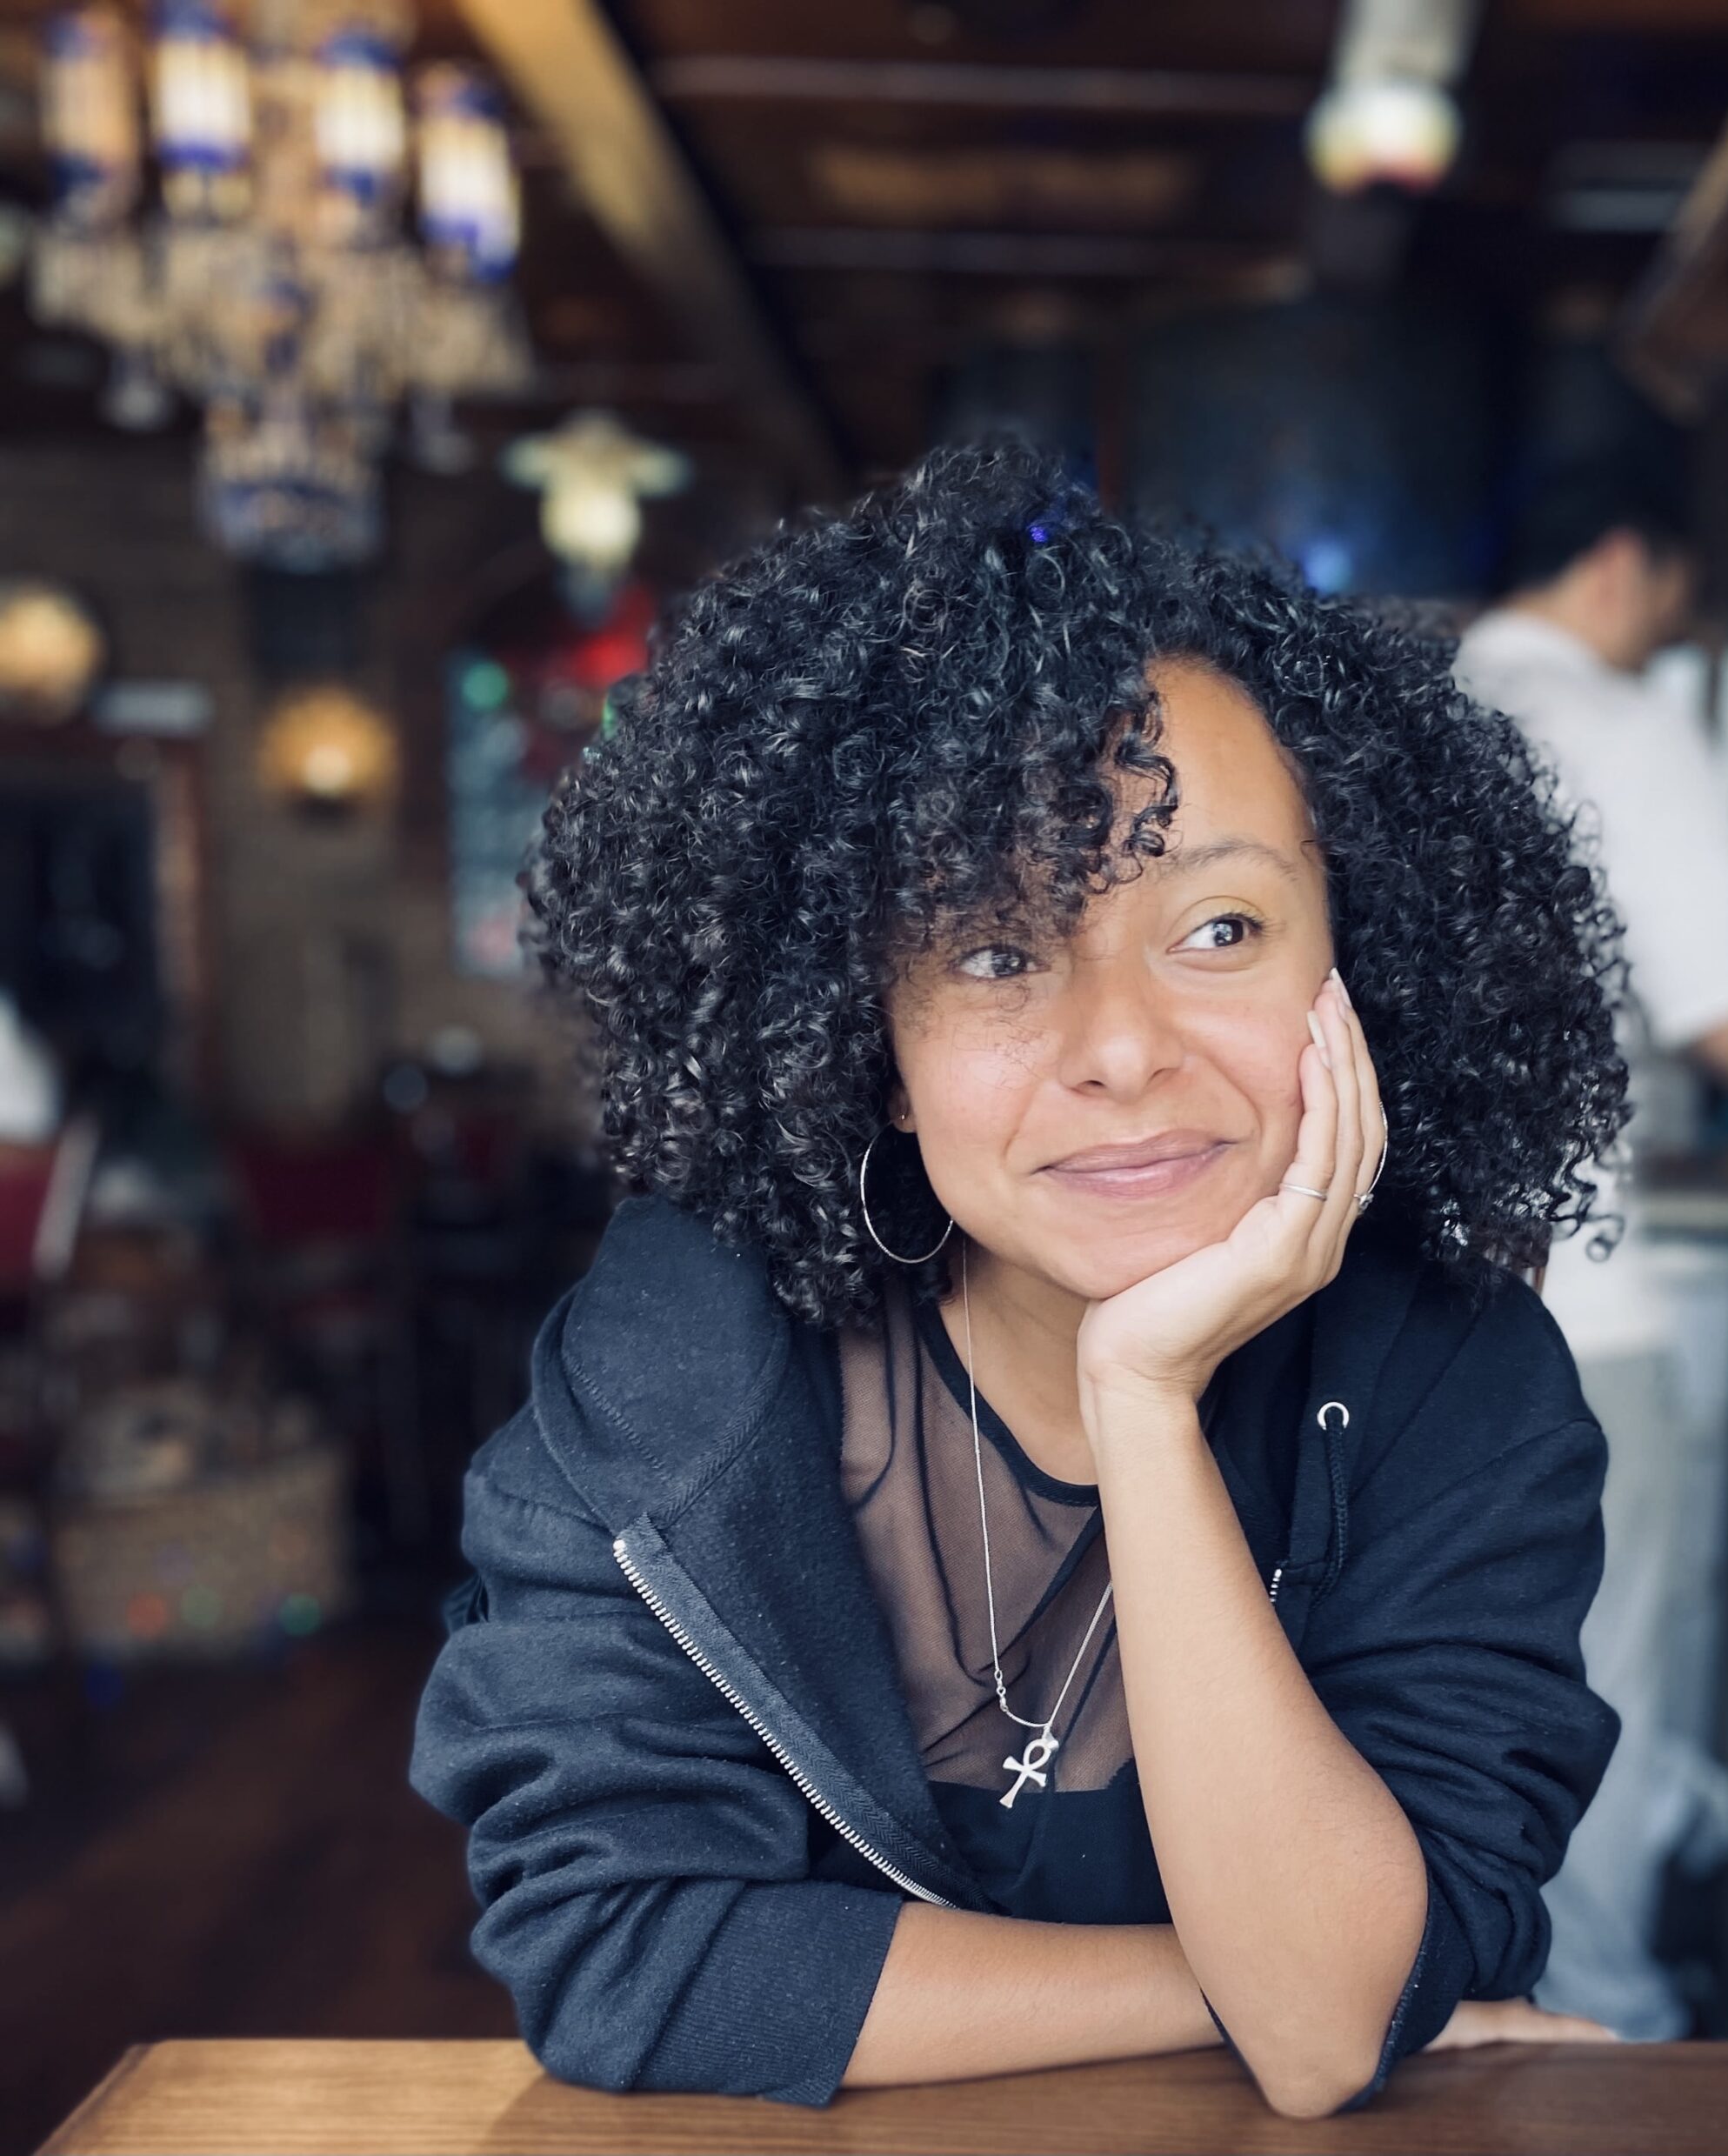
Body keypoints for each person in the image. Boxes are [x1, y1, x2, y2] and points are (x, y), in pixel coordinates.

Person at [410, 443, 1627, 2115]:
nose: (1122, 1048)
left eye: (1219, 932)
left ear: (1363, 961)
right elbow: (625, 1962)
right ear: (871, 1040)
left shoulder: (1455, 1380)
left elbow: (1330, 2039)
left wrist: (1145, 1402)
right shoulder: (687, 1355)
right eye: (997, 953)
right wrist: (1223, 1985)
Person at [1456, 461, 1728, 2038]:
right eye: (1674, 603)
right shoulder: (1613, 724)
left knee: (1415, 1686)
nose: (1669, 635)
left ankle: (1424, 2010)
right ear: (1621, 562)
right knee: (1582, 1692)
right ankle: (1591, 2042)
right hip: (1576, 1314)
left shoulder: (1424, 718)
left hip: (1383, 1302)